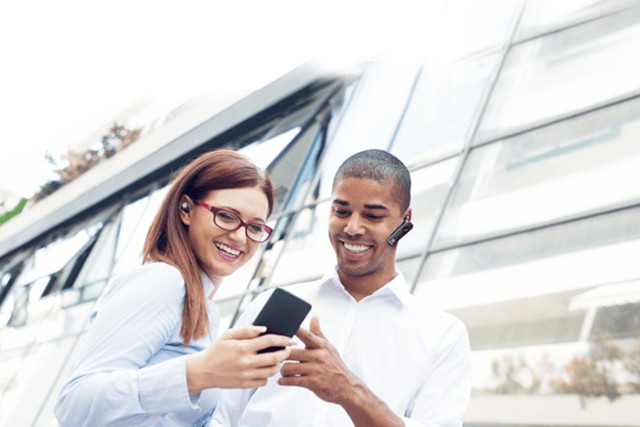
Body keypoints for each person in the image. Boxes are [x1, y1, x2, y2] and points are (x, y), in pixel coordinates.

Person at [211, 149, 472, 426]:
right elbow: (221, 413)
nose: (352, 228)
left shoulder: (442, 335)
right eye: (341, 211)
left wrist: (348, 391)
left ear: (404, 221)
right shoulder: (275, 304)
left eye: (373, 216)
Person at [54, 149, 293, 427]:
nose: (240, 236)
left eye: (255, 227)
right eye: (227, 216)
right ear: (186, 210)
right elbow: (74, 404)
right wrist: (198, 373)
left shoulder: (204, 310)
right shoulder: (163, 281)